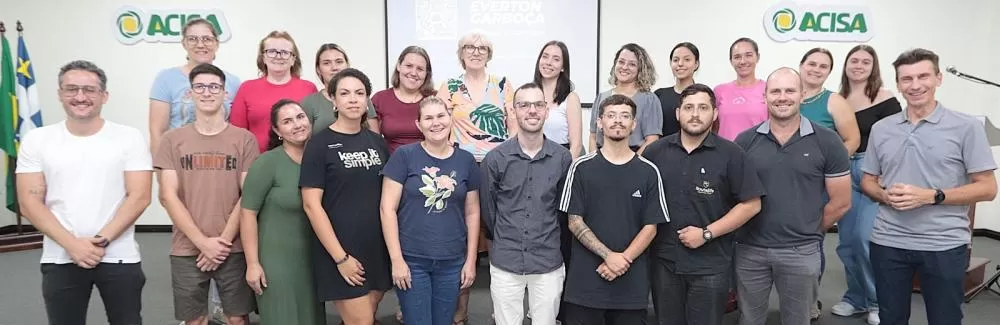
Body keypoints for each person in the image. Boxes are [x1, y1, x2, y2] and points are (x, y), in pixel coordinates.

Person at [860, 48, 997, 325]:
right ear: (898, 84)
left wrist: (932, 196)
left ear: (938, 78)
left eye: (923, 76)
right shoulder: (882, 129)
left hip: (944, 244)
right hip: (888, 242)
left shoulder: (966, 127)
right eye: (907, 79)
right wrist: (884, 196)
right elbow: (868, 181)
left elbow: (987, 188)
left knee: (944, 319)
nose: (915, 85)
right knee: (891, 318)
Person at [15, 60, 152, 325]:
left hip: (119, 255)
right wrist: (73, 245)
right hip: (60, 257)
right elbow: (29, 201)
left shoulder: (129, 137)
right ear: (60, 94)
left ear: (104, 95)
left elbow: (140, 196)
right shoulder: (37, 140)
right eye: (71, 89)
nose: (80, 97)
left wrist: (100, 241)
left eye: (89, 90)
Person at [733, 67, 851, 325]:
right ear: (765, 97)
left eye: (790, 90)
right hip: (750, 250)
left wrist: (809, 229)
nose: (782, 97)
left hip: (801, 251)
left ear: (802, 95)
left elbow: (842, 202)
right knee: (748, 319)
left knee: (797, 320)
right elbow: (734, 197)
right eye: (775, 91)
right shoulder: (744, 142)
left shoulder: (828, 141)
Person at [641, 84, 764, 325]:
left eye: (703, 108)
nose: (695, 114)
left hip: (711, 265)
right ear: (677, 113)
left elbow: (751, 204)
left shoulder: (732, 154)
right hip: (664, 263)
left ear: (715, 114)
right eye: (688, 107)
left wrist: (707, 233)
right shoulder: (655, 152)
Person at [147, 19, 240, 322]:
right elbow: (157, 130)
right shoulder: (166, 78)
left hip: (223, 170)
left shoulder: (233, 81)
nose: (201, 43)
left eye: (207, 38)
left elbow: (235, 130)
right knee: (191, 236)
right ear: (184, 42)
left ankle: (218, 305)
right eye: (194, 38)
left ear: (216, 42)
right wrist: (164, 179)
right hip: (182, 171)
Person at [155, 63, 259, 325]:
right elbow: (168, 196)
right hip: (187, 247)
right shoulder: (172, 139)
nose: (207, 92)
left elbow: (248, 196)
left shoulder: (244, 139)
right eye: (199, 86)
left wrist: (221, 244)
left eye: (214, 87)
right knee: (195, 320)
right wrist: (203, 243)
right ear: (189, 94)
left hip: (232, 246)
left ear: (225, 94)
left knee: (237, 318)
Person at [559, 94, 669, 324]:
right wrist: (609, 256)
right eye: (611, 115)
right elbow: (574, 221)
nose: (617, 121)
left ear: (634, 124)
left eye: (625, 116)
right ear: (599, 122)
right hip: (585, 287)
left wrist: (622, 260)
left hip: (631, 289)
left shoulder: (649, 171)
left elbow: (651, 227)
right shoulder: (580, 168)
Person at [300, 68, 392, 325]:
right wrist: (340, 258)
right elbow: (311, 205)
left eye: (359, 93)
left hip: (377, 248)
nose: (353, 99)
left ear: (367, 101)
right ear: (333, 99)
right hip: (340, 250)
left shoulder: (377, 142)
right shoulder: (319, 145)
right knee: (362, 321)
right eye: (345, 93)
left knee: (366, 315)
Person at [380, 96, 481, 325]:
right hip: (412, 261)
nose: (436, 123)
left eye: (440, 116)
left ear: (450, 118)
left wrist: (471, 260)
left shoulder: (466, 160)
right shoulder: (404, 157)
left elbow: (473, 213)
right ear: (419, 125)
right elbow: (387, 209)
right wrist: (397, 260)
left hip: (452, 261)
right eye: (428, 118)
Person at [480, 83, 573, 325]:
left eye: (537, 104)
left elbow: (564, 211)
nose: (531, 110)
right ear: (513, 112)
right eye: (524, 105)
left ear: (546, 110)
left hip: (547, 262)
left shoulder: (562, 158)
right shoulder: (495, 159)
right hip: (506, 262)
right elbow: (489, 214)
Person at [436, 31, 512, 323]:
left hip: (498, 168)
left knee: (497, 235)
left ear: (489, 54)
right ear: (461, 52)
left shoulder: (503, 85)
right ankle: (460, 313)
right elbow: (439, 124)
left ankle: (501, 309)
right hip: (461, 166)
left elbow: (513, 126)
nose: (476, 52)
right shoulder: (450, 86)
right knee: (461, 237)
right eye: (470, 47)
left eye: (482, 48)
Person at [830, 44, 900, 325]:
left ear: (874, 67)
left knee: (863, 240)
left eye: (865, 61)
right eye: (854, 60)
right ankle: (855, 298)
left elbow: (896, 141)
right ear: (846, 65)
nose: (858, 65)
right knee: (846, 243)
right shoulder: (837, 99)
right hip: (842, 170)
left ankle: (875, 301)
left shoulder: (886, 98)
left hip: (873, 172)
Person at [240, 99, 325, 324]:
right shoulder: (267, 163)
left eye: (300, 117)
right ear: (277, 130)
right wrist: (252, 264)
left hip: (313, 260)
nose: (297, 124)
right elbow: (247, 213)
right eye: (287, 121)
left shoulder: (319, 160)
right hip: (276, 264)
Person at [797, 47, 863, 320]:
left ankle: (810, 301)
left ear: (829, 72)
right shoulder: (784, 92)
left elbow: (852, 140)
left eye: (823, 66)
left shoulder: (833, 101)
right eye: (811, 63)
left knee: (811, 242)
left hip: (815, 186)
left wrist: (829, 168)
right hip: (781, 182)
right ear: (801, 65)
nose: (815, 69)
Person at [231, 30, 318, 153]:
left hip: (302, 161)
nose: (278, 56)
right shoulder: (247, 88)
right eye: (271, 52)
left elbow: (315, 130)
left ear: (293, 59)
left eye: (284, 52)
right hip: (257, 162)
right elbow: (237, 134)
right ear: (263, 58)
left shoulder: (309, 88)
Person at [588, 43, 663, 154]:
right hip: (601, 157)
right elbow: (593, 136)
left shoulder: (649, 100)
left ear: (640, 69)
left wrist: (632, 164)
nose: (624, 67)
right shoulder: (601, 97)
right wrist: (595, 161)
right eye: (621, 62)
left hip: (634, 158)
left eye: (632, 64)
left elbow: (651, 140)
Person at [301, 43, 379, 134]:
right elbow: (305, 142)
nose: (334, 68)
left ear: (347, 64)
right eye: (326, 63)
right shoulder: (310, 102)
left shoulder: (360, 97)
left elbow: (375, 138)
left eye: (339, 62)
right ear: (318, 69)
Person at [373, 46, 434, 154]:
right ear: (399, 66)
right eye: (409, 66)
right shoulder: (380, 99)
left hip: (430, 166)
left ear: (426, 74)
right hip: (391, 165)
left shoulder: (435, 99)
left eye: (420, 69)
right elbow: (373, 142)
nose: (414, 73)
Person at [535, 40, 584, 159]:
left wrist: (562, 171)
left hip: (561, 160)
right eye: (545, 57)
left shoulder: (571, 98)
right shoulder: (529, 94)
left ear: (563, 67)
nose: (548, 62)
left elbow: (576, 145)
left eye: (556, 59)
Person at [714, 38, 767, 141]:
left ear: (758, 57)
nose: (743, 61)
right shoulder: (719, 91)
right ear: (731, 61)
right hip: (726, 154)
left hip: (759, 153)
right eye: (737, 57)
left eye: (748, 55)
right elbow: (713, 127)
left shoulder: (768, 89)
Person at [654, 42, 700, 137]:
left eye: (687, 59)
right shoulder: (659, 95)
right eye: (675, 60)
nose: (680, 64)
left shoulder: (703, 95)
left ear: (696, 64)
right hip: (663, 150)